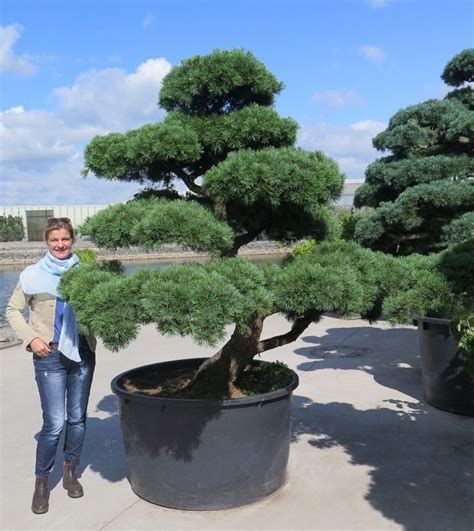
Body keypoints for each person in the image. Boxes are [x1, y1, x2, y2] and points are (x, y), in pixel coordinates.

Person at [6, 217, 96, 515]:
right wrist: (31, 339)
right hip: (50, 357)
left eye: (65, 239)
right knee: (54, 423)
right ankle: (42, 480)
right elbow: (13, 310)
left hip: (82, 352)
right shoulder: (33, 274)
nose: (60, 244)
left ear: (73, 240)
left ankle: (70, 471)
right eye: (55, 239)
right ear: (47, 242)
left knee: (77, 419)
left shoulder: (86, 272)